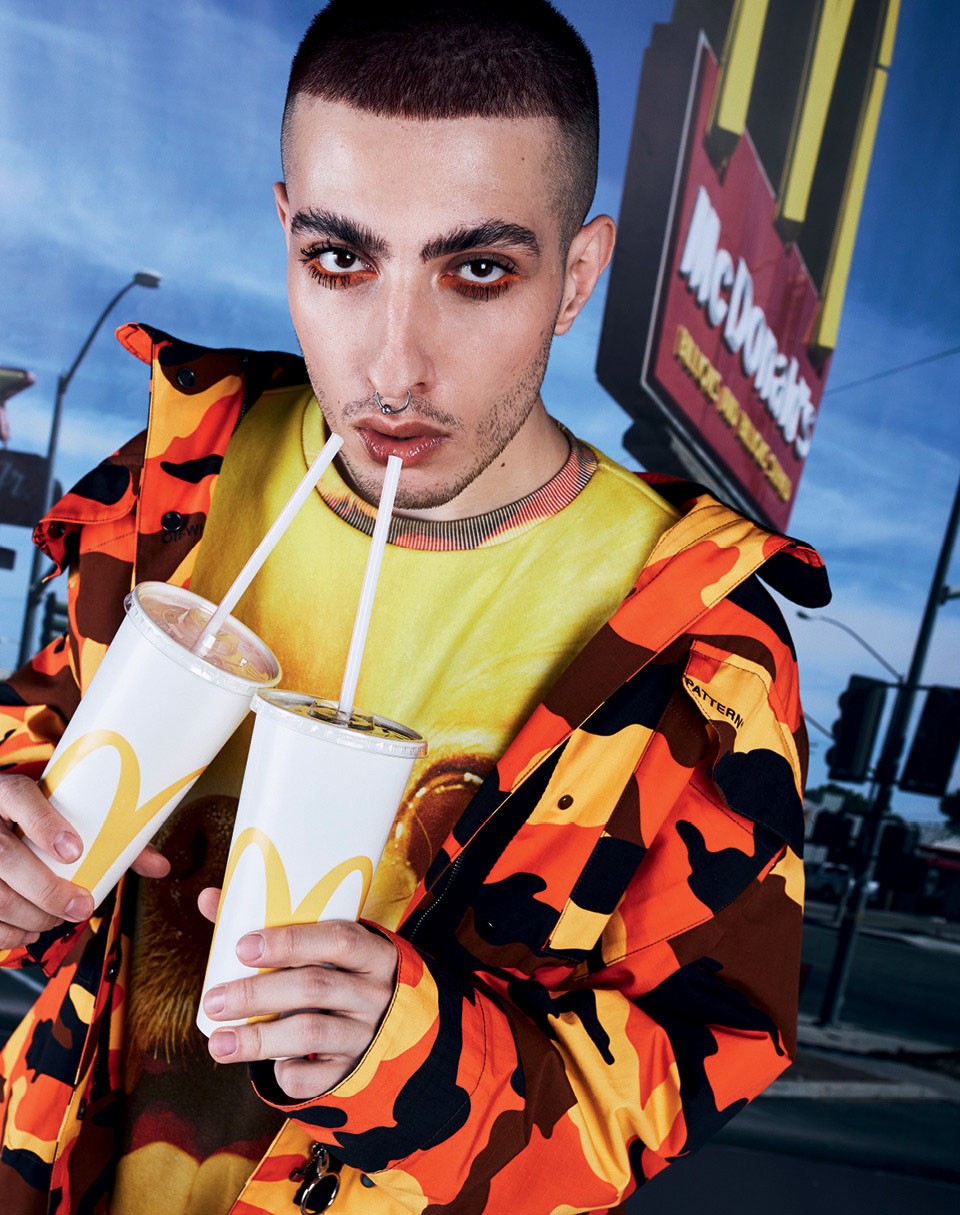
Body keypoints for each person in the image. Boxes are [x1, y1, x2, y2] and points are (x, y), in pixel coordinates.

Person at [0, 3, 829, 1213]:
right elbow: (42, 760)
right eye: (342, 261)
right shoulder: (173, 486)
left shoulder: (701, 649)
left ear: (577, 277)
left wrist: (417, 1060)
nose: (393, 367)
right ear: (287, 235)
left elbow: (701, 1055)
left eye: (478, 270)